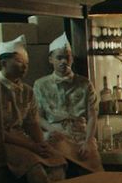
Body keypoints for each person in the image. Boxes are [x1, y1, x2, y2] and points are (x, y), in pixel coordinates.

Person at [0, 34, 67, 183]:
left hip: (25, 139)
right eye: (20, 62)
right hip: (6, 143)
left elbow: (32, 122)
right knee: (35, 168)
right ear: (3, 63)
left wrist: (41, 143)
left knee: (57, 160)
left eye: (26, 64)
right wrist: (31, 146)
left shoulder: (27, 91)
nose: (24, 67)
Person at [33, 32, 103, 173]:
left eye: (67, 58)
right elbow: (37, 116)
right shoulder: (40, 84)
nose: (64, 62)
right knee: (57, 172)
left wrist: (89, 141)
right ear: (51, 59)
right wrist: (52, 129)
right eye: (59, 58)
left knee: (95, 175)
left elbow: (92, 115)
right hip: (56, 136)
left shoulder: (84, 84)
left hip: (81, 135)